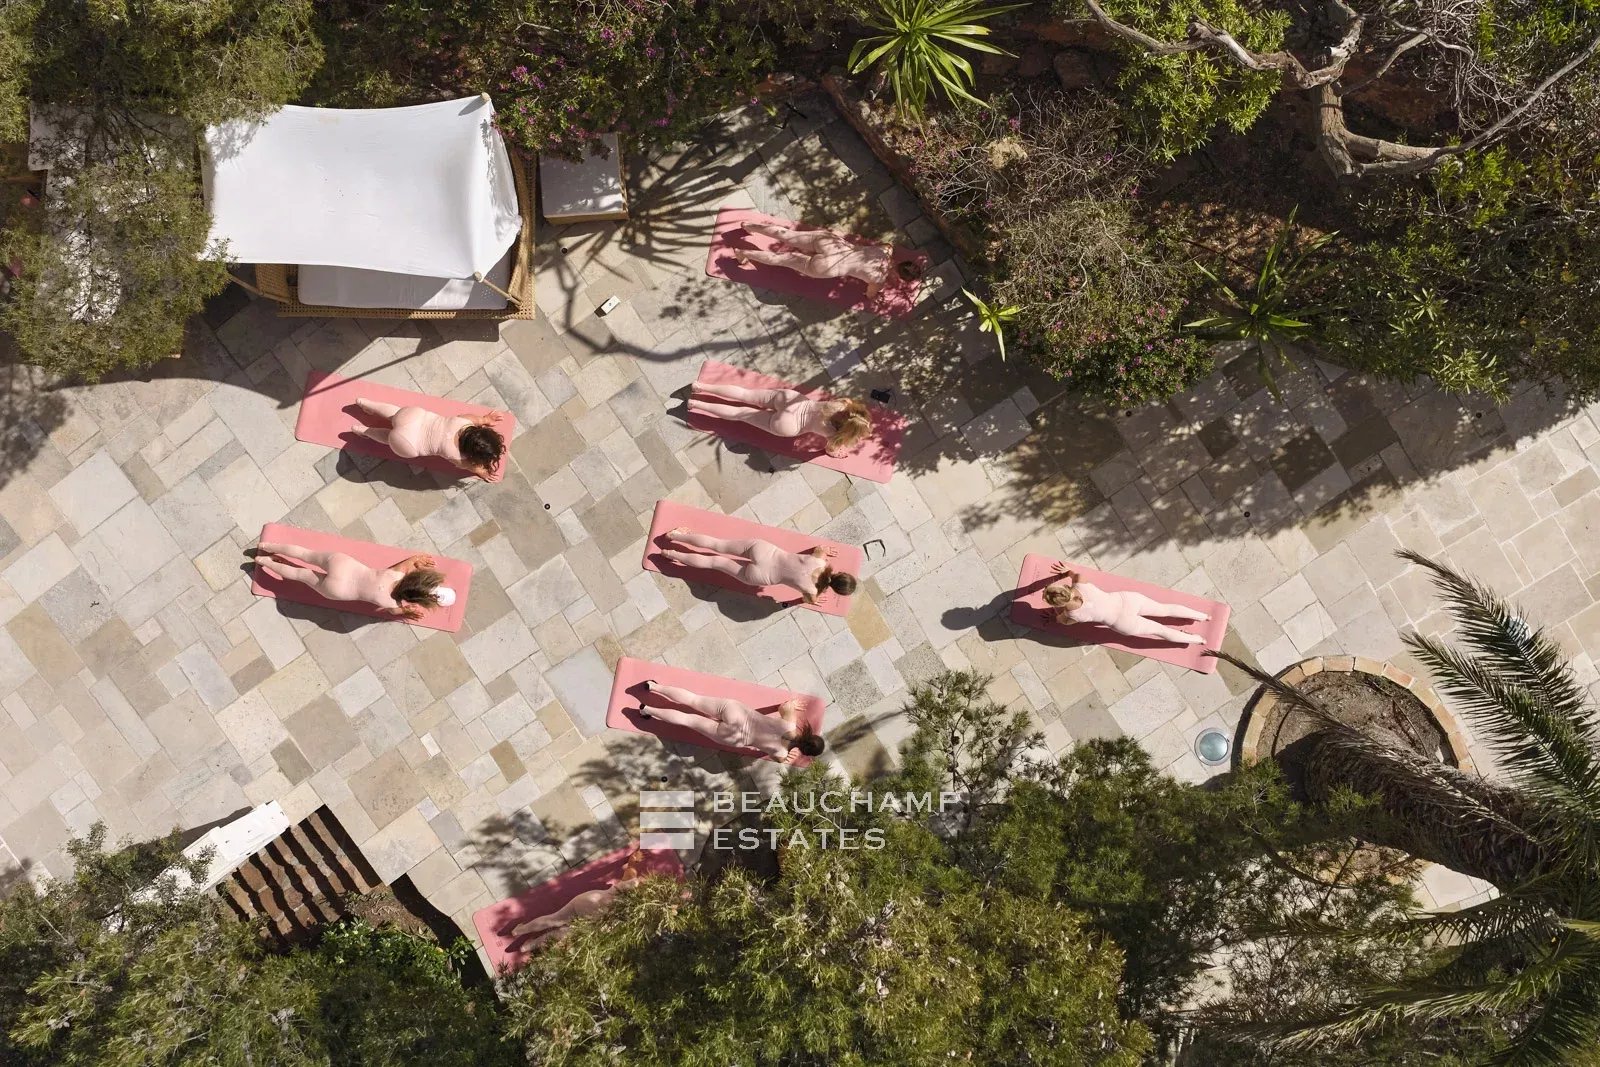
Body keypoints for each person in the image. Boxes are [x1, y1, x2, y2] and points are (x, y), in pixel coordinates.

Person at [252, 541, 456, 620]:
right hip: (337, 590)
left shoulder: (396, 574)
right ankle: (263, 561)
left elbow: (410, 562)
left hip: (343, 566)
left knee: (306, 554)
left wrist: (417, 559)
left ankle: (268, 546)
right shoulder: (393, 603)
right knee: (300, 575)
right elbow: (394, 612)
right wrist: (407, 612)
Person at [634, 680, 825, 763]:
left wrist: (792, 705)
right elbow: (778, 758)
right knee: (688, 720)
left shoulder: (789, 723)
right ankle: (647, 710)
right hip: (735, 737)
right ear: (804, 752)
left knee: (694, 700)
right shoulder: (781, 753)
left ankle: (653, 686)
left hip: (738, 713)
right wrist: (785, 757)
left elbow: (785, 707)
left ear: (810, 734)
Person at [659, 527, 857, 605]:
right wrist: (813, 600)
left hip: (764, 552)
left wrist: (826, 550)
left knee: (718, 545)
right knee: (715, 562)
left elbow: (820, 548)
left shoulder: (821, 561)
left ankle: (676, 536)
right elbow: (806, 599)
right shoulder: (812, 592)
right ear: (836, 590)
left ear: (841, 573)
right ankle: (670, 554)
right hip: (762, 575)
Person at [499, 849, 650, 950]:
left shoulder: (632, 880)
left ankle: (519, 930)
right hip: (596, 918)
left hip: (591, 900)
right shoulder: (639, 910)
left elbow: (631, 863)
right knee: (563, 933)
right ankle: (528, 946)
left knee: (554, 918)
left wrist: (634, 859)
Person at [733, 220, 923, 299]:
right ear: (899, 278)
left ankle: (750, 226)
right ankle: (743, 253)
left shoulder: (886, 250)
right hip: (829, 266)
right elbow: (869, 294)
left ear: (902, 262)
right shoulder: (879, 280)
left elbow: (887, 245)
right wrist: (872, 294)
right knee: (783, 259)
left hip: (833, 245)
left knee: (788, 236)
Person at [1040, 562, 1211, 645]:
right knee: (1165, 609)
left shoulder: (1071, 615)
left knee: (1162, 631)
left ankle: (1198, 640)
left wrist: (1055, 616)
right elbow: (1073, 574)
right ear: (1062, 588)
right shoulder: (1079, 582)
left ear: (1058, 604)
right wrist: (1067, 571)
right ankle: (1204, 616)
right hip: (1128, 601)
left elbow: (1062, 621)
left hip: (1123, 623)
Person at [687, 381, 873, 457]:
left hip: (792, 401)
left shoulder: (843, 403)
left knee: (745, 394)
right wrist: (839, 449)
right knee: (740, 414)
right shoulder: (835, 435)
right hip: (789, 425)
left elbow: (852, 409)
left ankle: (701, 386)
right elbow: (831, 450)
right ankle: (696, 405)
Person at [349, 398, 507, 481]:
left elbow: (477, 419)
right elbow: (473, 468)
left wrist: (486, 419)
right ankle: (365, 431)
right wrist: (483, 472)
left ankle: (368, 403)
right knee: (389, 437)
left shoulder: (465, 422)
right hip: (409, 441)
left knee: (394, 414)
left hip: (414, 417)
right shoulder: (460, 458)